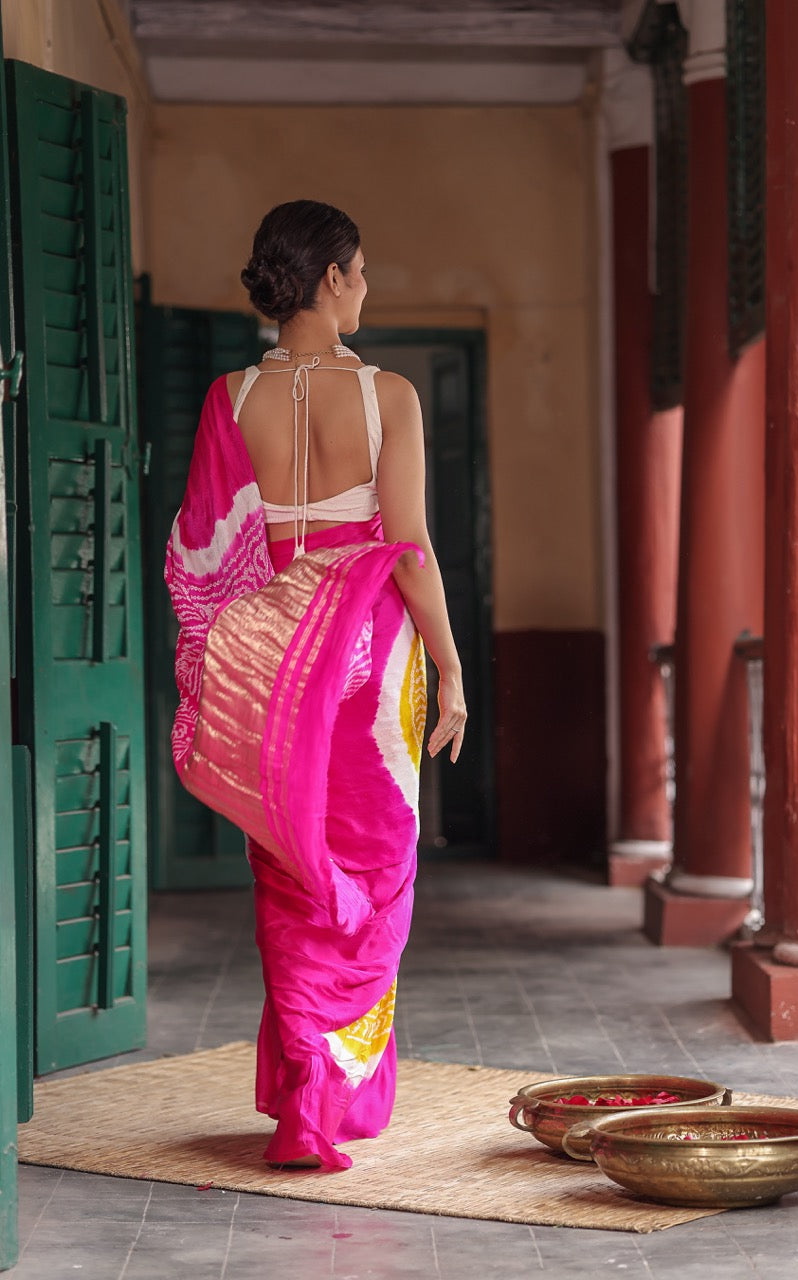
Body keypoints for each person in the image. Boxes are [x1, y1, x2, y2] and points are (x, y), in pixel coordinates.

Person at [165, 199, 466, 1171]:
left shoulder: (227, 399)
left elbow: (205, 555)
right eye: (362, 271)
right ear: (330, 276)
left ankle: (301, 1104)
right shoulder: (389, 396)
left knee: (289, 872)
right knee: (373, 873)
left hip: (270, 663)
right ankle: (338, 1095)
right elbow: (409, 550)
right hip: (371, 656)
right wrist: (452, 664)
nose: (367, 288)